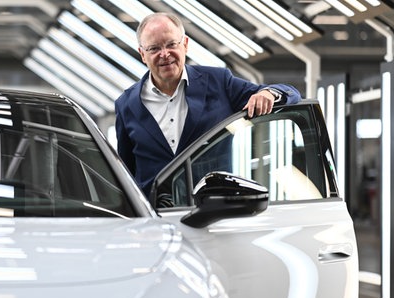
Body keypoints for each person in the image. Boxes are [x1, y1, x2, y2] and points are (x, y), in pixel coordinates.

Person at [114, 12, 302, 197]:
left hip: (214, 210)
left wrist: (268, 94)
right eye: (154, 48)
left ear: (185, 44)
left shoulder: (219, 82)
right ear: (142, 54)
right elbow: (125, 173)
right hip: (155, 216)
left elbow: (289, 92)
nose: (165, 54)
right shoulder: (126, 105)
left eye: (171, 44)